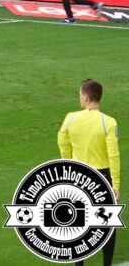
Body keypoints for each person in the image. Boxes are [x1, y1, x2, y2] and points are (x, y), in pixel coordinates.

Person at [58, 77, 121, 266]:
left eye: (79, 94)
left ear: (85, 97)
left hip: (78, 175)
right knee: (107, 224)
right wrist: (115, 185)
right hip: (102, 176)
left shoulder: (70, 118)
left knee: (78, 223)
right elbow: (114, 156)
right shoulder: (108, 122)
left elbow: (63, 144)